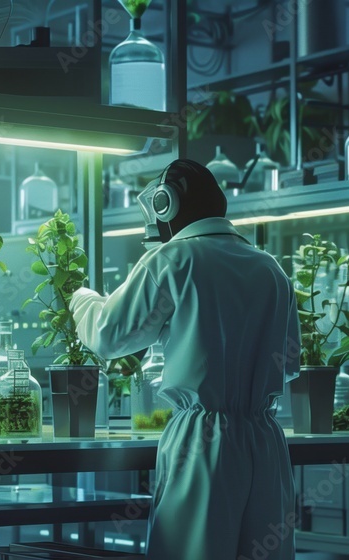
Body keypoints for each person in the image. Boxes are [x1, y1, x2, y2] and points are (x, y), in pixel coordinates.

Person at [69, 159, 300, 559]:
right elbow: (291, 364)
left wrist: (82, 299)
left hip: (202, 441)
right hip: (265, 442)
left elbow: (109, 335)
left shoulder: (173, 260)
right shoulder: (271, 269)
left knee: (192, 549)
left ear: (166, 205)